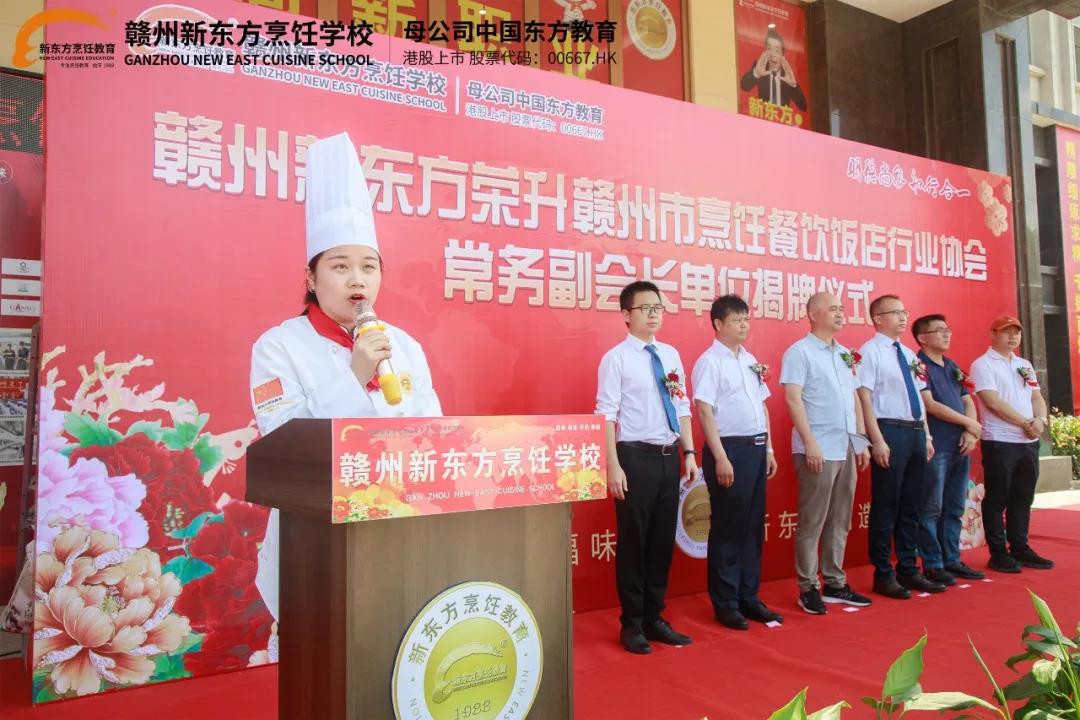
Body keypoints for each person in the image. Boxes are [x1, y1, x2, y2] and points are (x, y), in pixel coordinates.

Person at [250, 132, 442, 621]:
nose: (358, 279)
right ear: (312, 278)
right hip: (314, 536)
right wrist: (354, 375)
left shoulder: (405, 345)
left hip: (396, 528)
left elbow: (433, 432)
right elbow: (282, 443)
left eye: (368, 266)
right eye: (340, 266)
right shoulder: (278, 346)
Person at [596, 280, 697, 655]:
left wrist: (689, 452)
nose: (654, 314)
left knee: (660, 544)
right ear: (626, 315)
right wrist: (614, 466)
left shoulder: (670, 355)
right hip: (633, 457)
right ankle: (632, 623)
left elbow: (682, 407)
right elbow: (606, 415)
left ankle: (655, 617)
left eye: (659, 307)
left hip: (669, 456)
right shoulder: (616, 359)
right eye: (645, 308)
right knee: (634, 543)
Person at [692, 294, 782, 630]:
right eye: (737, 319)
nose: (744, 325)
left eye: (747, 318)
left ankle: (749, 595)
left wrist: (770, 450)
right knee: (729, 529)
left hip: (757, 449)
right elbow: (704, 410)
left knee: (752, 527)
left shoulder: (750, 359)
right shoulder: (710, 362)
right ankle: (726, 602)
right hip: (729, 451)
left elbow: (763, 408)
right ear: (718, 324)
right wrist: (720, 457)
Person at [781, 293, 872, 616]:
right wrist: (810, 443)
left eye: (841, 309)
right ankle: (808, 587)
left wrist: (860, 443)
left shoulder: (846, 355)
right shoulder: (800, 352)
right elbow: (793, 400)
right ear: (813, 314)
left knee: (840, 518)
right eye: (833, 309)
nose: (840, 314)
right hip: (817, 447)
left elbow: (855, 399)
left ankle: (835, 581)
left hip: (846, 445)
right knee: (813, 519)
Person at [857, 295, 944, 599]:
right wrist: (876, 438)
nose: (903, 317)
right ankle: (883, 573)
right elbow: (864, 397)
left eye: (904, 312)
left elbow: (919, 397)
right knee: (887, 506)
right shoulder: (869, 352)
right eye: (896, 313)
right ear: (878, 318)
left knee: (912, 505)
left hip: (916, 432)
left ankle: (909, 568)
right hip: (889, 429)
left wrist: (928, 435)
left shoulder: (909, 354)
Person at [970, 315, 1054, 573]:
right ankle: (998, 552)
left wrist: (1040, 420)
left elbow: (1037, 396)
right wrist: (1024, 422)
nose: (1013, 337)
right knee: (997, 497)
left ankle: (1020, 547)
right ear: (993, 334)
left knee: (1023, 496)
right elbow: (992, 401)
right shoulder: (983, 364)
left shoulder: (1023, 364)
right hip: (1000, 441)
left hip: (1027, 441)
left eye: (1016, 332)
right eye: (1006, 332)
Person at [912, 314, 986, 583]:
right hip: (937, 445)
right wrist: (969, 424)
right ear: (922, 337)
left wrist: (970, 430)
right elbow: (929, 405)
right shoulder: (918, 365)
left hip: (960, 445)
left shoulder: (952, 365)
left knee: (954, 506)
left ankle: (952, 559)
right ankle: (933, 563)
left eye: (948, 329)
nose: (947, 334)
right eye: (939, 330)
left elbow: (967, 399)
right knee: (931, 506)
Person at [739, 28, 807, 110]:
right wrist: (756, 73)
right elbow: (744, 86)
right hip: (762, 118)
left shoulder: (787, 75)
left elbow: (803, 106)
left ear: (783, 55)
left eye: (777, 50)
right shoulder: (760, 67)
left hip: (783, 120)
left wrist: (793, 85)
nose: (772, 54)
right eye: (769, 49)